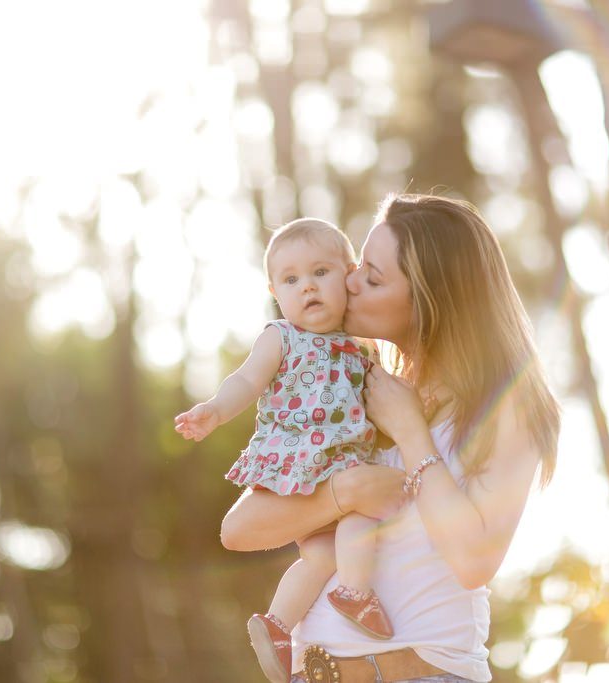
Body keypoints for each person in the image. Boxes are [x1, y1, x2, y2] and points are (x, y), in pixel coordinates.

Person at [220, 194, 560, 683]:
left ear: (430, 298)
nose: (349, 281)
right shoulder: (355, 390)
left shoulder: (507, 410)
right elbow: (240, 529)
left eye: (372, 277)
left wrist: (409, 432)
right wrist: (347, 492)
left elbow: (474, 560)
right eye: (358, 266)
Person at [175, 218, 396, 683]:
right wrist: (216, 410)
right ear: (275, 291)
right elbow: (248, 380)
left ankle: (277, 624)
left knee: (322, 555)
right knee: (357, 516)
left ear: (349, 275)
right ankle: (355, 591)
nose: (308, 287)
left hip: (347, 463)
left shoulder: (362, 347)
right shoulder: (282, 336)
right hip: (299, 460)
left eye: (321, 272)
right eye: (292, 280)